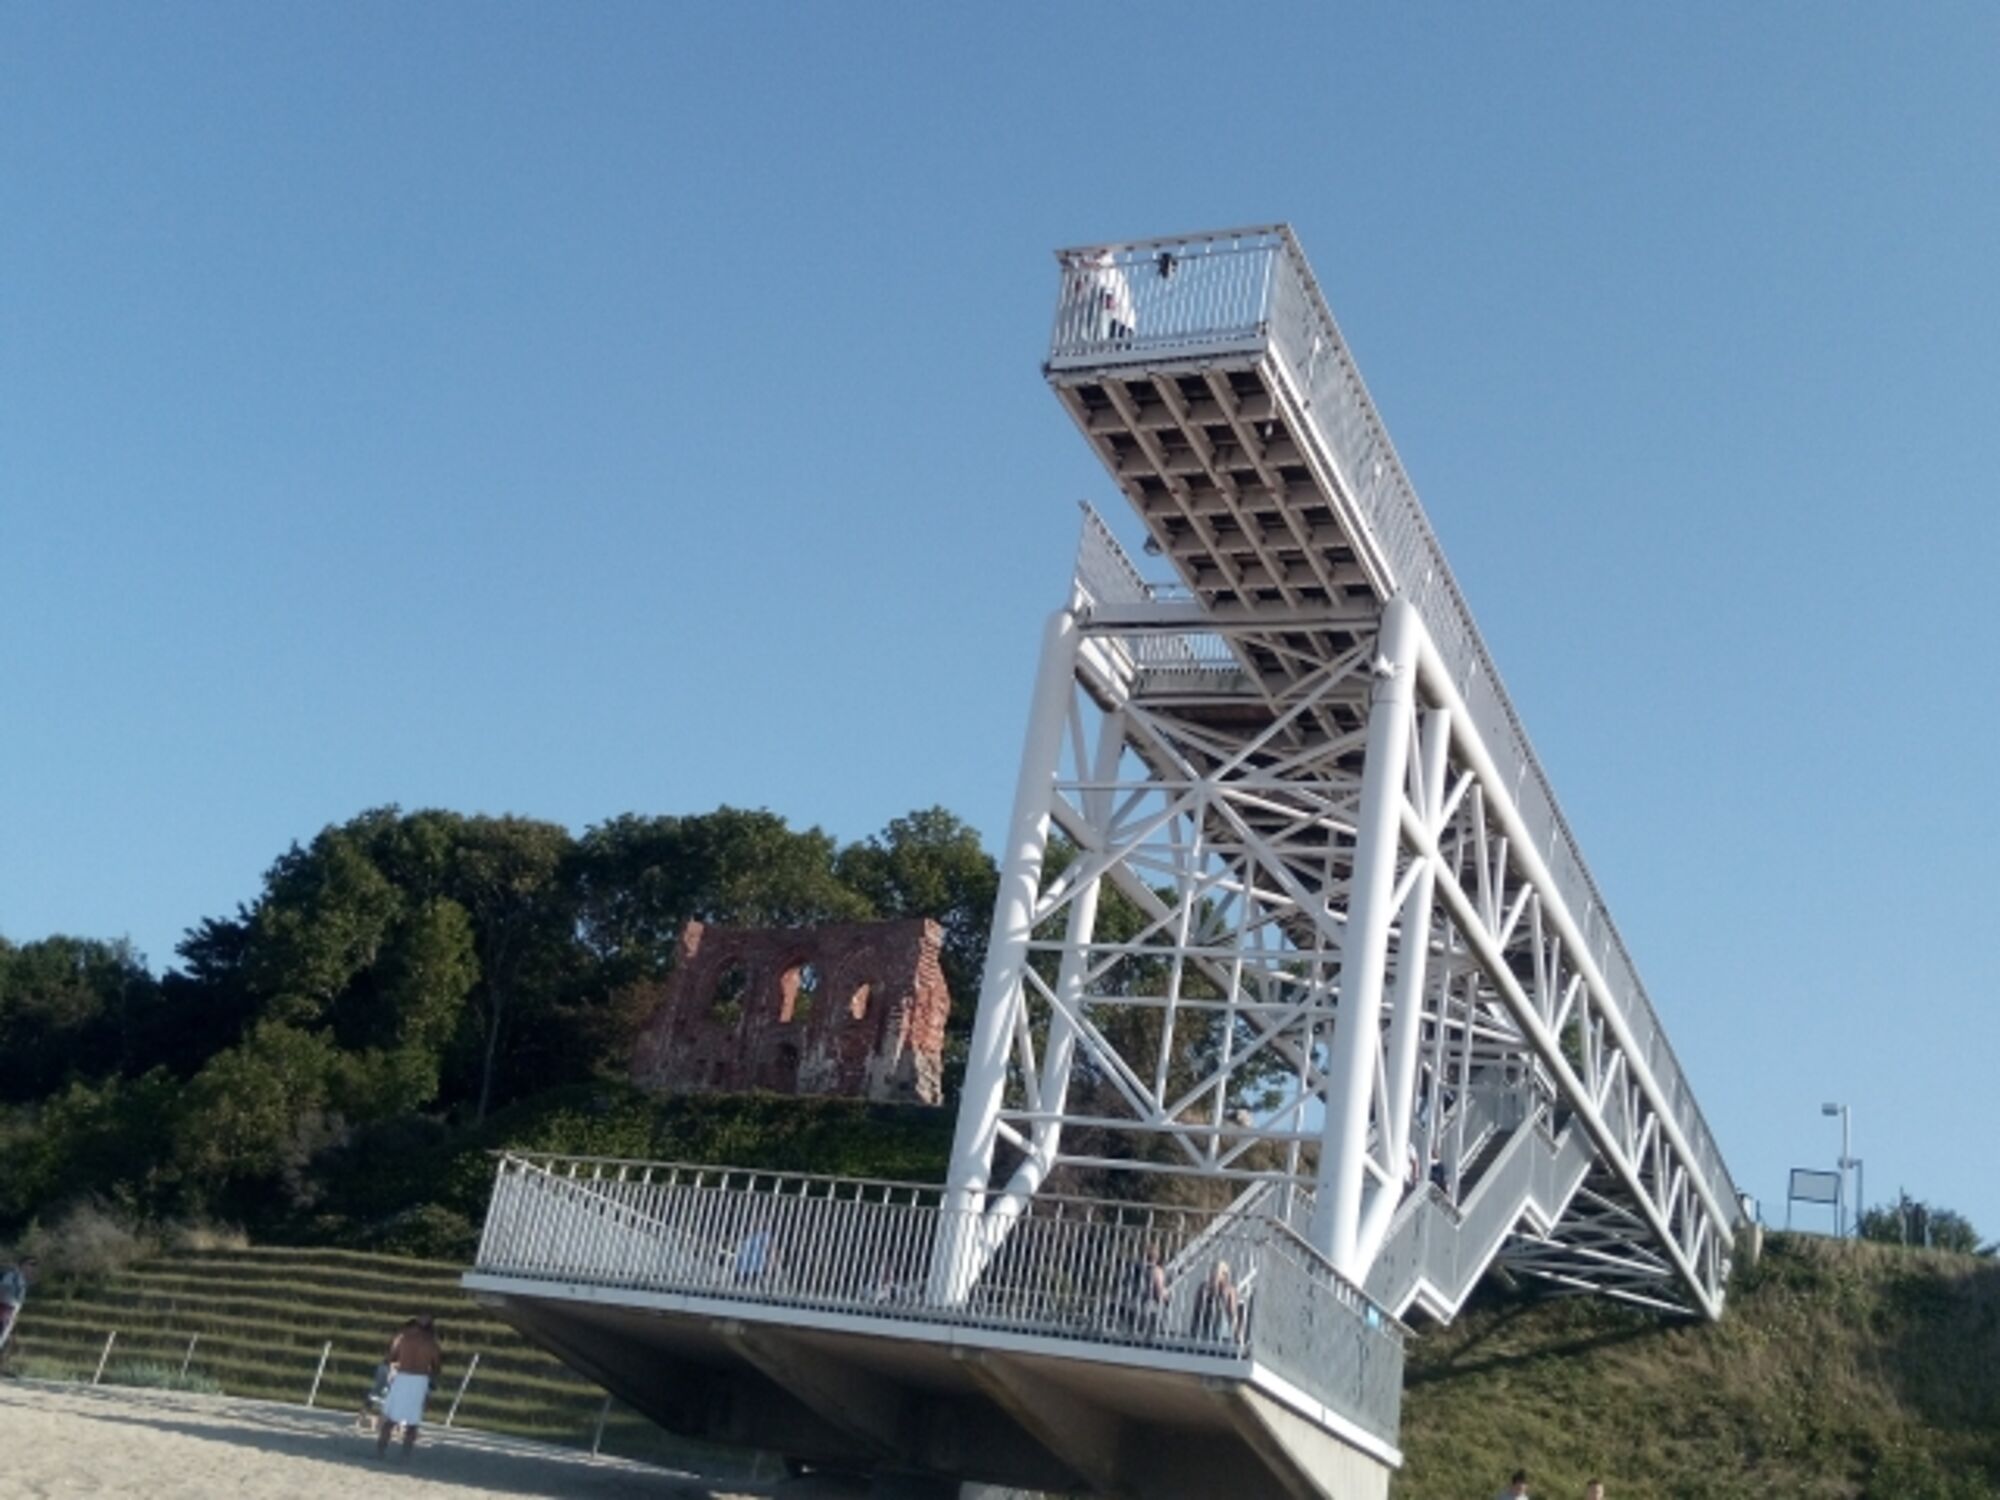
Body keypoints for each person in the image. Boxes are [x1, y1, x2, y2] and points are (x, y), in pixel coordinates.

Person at [375, 1314, 444, 1459]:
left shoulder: (403, 1338)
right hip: (419, 1380)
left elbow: (391, 1357)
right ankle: (405, 1454)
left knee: (391, 1418)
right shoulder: (431, 1342)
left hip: (402, 1377)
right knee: (413, 1422)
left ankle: (381, 1449)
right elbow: (436, 1365)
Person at [1191, 1259, 1243, 1345]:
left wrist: (1237, 1334)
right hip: (1205, 1326)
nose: (1213, 1275)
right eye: (1212, 1272)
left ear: (1224, 1276)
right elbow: (1196, 1310)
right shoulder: (1203, 1288)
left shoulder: (1229, 1290)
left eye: (1216, 1273)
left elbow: (1232, 1314)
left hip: (1221, 1328)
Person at [1126, 1243, 1167, 1337]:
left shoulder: (1134, 1269)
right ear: (1157, 1256)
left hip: (1133, 1306)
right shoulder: (1156, 1271)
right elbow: (1159, 1292)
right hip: (1149, 1308)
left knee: (1132, 1335)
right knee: (1151, 1336)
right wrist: (1166, 1296)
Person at [0, 1255, 37, 1357]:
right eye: (30, 1264)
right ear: (22, 1265)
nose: (32, 1267)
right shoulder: (13, 1276)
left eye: (34, 1265)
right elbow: (2, 1290)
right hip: (5, 1310)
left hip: (10, 1313)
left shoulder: (22, 1279)